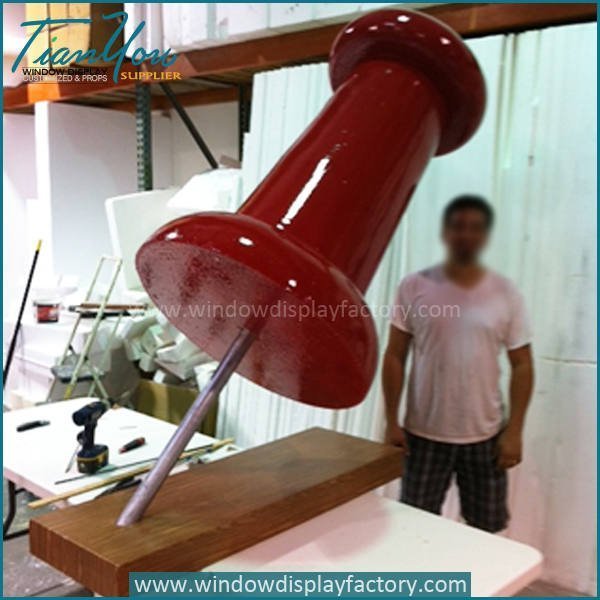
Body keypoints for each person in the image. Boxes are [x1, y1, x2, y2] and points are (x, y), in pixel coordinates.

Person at [383, 194, 534, 532]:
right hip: (423, 434)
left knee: (486, 530)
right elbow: (394, 355)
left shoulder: (506, 293)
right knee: (415, 527)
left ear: (485, 235)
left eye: (475, 227)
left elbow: (523, 364)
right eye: (458, 226)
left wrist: (515, 431)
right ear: (445, 232)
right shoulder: (413, 286)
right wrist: (390, 421)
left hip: (486, 437)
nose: (466, 234)